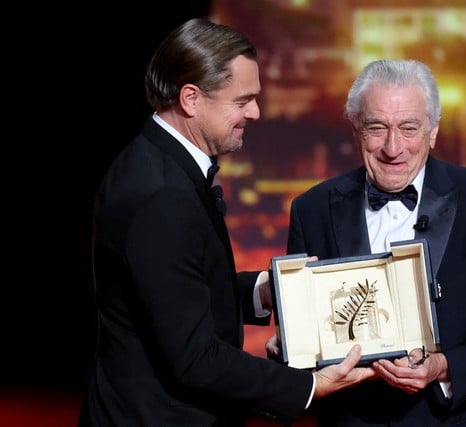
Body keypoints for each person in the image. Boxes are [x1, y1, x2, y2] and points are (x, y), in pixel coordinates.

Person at [78, 17, 375, 427]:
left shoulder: (159, 164)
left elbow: (175, 290)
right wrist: (308, 386)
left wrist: (263, 291)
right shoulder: (162, 194)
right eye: (242, 100)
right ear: (190, 98)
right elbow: (196, 356)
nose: (255, 112)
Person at [268, 59, 466, 426]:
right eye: (377, 128)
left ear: (433, 131)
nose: (393, 147)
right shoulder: (311, 209)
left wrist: (444, 367)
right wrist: (290, 349)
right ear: (356, 130)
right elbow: (305, 336)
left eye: (409, 128)